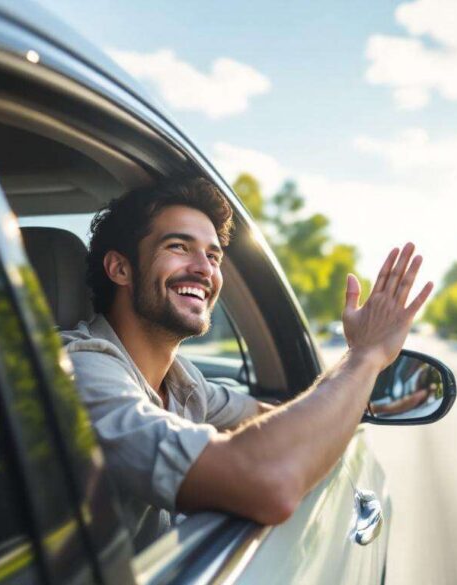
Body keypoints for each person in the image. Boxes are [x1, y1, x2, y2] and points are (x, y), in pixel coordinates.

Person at [61, 176, 432, 539]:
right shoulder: (76, 370)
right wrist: (365, 357)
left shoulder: (183, 382)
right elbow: (269, 480)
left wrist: (367, 396)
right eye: (178, 247)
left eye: (213, 255)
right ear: (120, 268)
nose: (205, 269)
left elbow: (271, 417)